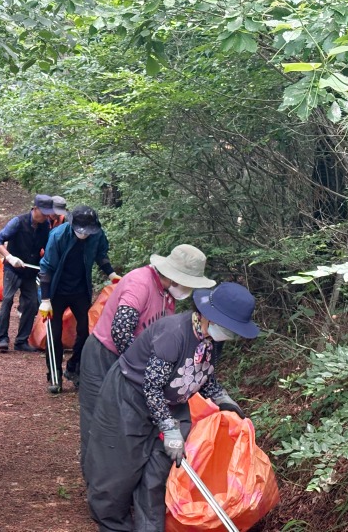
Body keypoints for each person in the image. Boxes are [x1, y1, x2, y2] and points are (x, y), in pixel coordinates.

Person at [85, 282, 259, 531]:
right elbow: (152, 387)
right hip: (130, 399)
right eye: (228, 328)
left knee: (158, 473)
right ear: (209, 316)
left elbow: (202, 375)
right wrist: (169, 428)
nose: (229, 334)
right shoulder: (174, 334)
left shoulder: (213, 340)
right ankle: (113, 524)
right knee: (118, 469)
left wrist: (221, 398)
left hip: (173, 403)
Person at [79, 244, 214, 473]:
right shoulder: (139, 283)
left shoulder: (168, 295)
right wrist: (147, 372)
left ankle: (120, 480)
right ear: (174, 277)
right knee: (99, 421)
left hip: (134, 363)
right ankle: (96, 481)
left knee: (125, 423)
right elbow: (121, 333)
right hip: (105, 355)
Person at [38, 205, 119, 393]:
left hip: (80, 289)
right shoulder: (58, 236)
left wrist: (111, 274)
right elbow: (47, 268)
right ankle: (55, 376)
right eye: (80, 231)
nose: (84, 234)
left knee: (86, 329)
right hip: (56, 290)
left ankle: (74, 368)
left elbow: (101, 255)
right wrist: (46, 299)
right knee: (54, 334)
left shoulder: (97, 235)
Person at [0, 194, 54, 352]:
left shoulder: (45, 225)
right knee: (7, 300)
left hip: (30, 270)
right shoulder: (18, 222)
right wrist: (9, 257)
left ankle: (21, 341)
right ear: (35, 209)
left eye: (49, 213)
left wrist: (48, 262)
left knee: (32, 303)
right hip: (12, 269)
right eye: (44, 212)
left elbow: (47, 247)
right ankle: (2, 338)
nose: (47, 216)